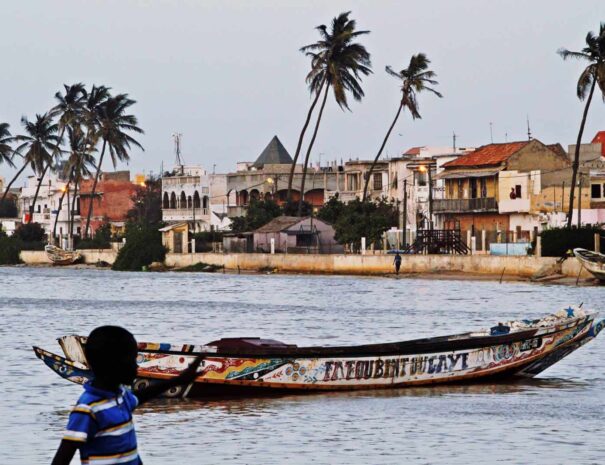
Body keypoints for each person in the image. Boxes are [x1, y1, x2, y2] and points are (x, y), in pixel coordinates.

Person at [51, 326, 203, 465]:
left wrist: (178, 380)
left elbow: (142, 396)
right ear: (114, 365)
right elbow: (63, 455)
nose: (137, 367)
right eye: (132, 360)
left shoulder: (120, 396)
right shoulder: (88, 409)